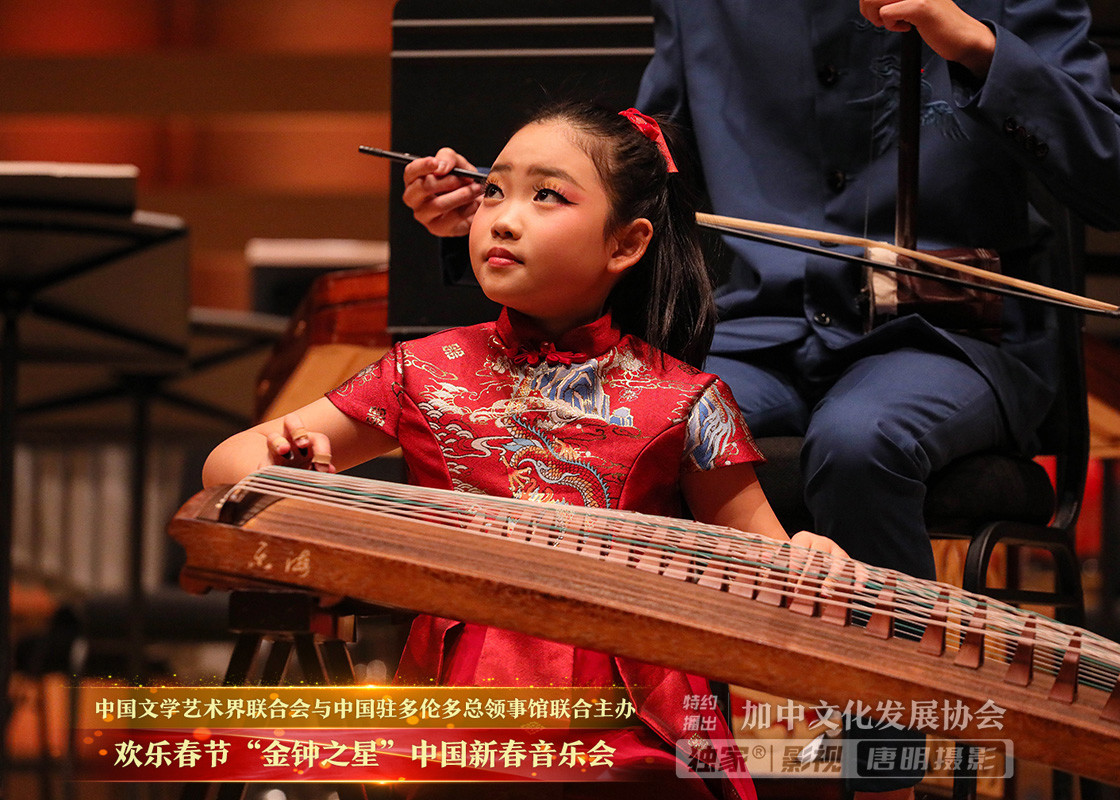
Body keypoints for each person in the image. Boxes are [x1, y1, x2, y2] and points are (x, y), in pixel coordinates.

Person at [400, 2, 1120, 795]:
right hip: (764, 325)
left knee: (861, 440)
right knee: (619, 422)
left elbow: (1108, 172)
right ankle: (636, 751)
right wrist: (497, 201)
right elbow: (645, 160)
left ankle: (886, 773)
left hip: (949, 333)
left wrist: (976, 43)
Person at [205, 101, 852, 798]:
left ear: (625, 244)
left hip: (635, 727)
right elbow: (229, 461)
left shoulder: (686, 399)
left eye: (547, 196)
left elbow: (765, 562)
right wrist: (300, 478)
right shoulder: (424, 370)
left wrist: (807, 562)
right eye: (494, 190)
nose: (504, 218)